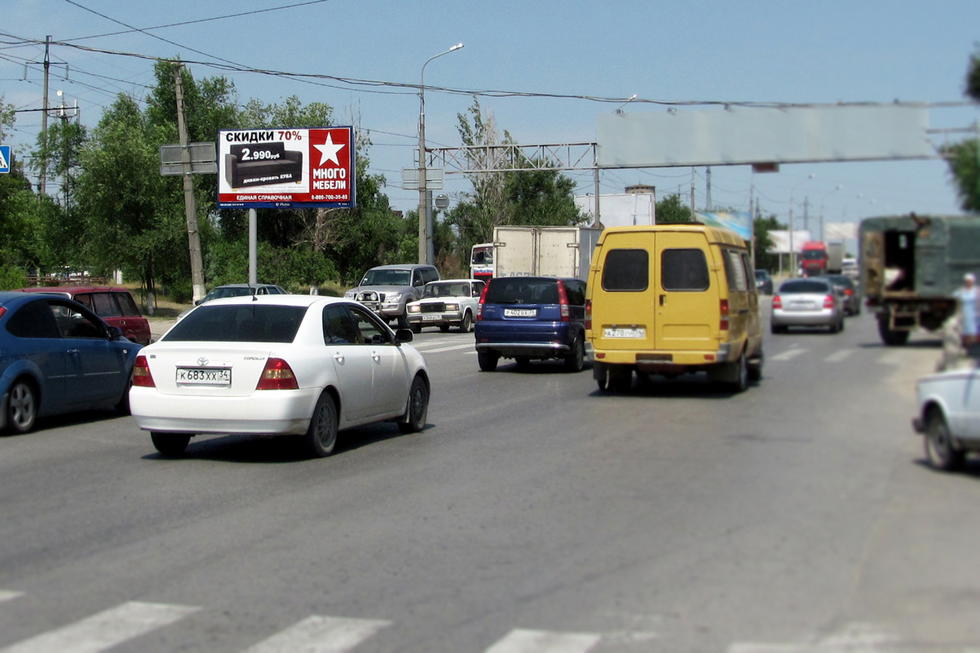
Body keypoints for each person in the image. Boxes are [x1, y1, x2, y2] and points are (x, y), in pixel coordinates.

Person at [954, 272, 979, 347]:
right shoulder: (961, 291)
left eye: (970, 281)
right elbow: (954, 298)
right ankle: (965, 344)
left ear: (973, 281)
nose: (969, 282)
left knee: (974, 330)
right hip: (964, 312)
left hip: (975, 313)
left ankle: (974, 345)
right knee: (964, 330)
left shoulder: (977, 290)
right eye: (967, 281)